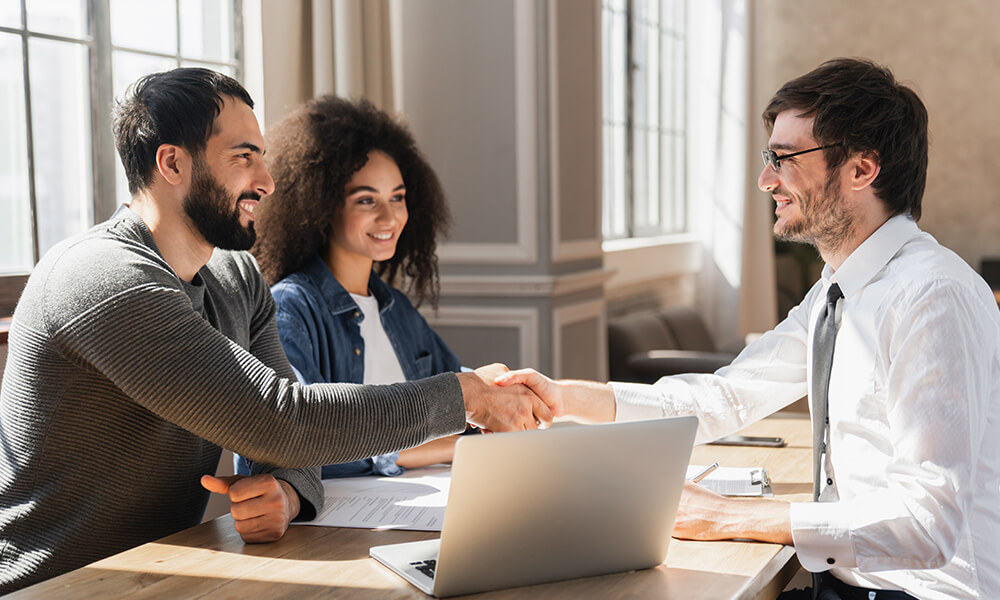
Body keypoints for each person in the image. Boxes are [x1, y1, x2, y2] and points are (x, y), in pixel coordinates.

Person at [0, 68, 550, 594]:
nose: (266, 181)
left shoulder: (236, 276)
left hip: (164, 570)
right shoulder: (104, 278)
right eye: (243, 159)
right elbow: (280, 420)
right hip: (58, 587)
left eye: (261, 158)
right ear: (172, 163)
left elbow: (288, 447)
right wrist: (464, 396)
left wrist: (287, 492)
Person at [496, 58, 1000, 599]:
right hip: (848, 585)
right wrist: (564, 397)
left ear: (861, 170)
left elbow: (928, 523)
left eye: (784, 159)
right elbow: (727, 396)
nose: (766, 180)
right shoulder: (839, 289)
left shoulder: (932, 296)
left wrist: (727, 517)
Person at [235, 96, 465, 479]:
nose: (389, 216)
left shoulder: (396, 309)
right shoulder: (289, 309)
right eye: (366, 200)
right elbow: (298, 439)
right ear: (323, 207)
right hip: (340, 526)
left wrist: (500, 387)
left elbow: (460, 390)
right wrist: (414, 451)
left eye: (397, 197)